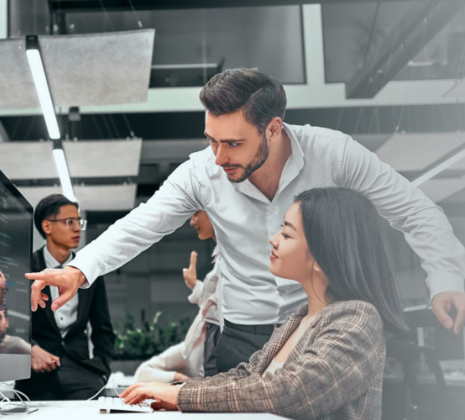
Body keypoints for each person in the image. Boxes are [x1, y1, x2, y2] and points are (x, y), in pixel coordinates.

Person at [27, 68, 465, 372]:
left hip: (321, 328)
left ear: (273, 129)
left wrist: (445, 276)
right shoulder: (202, 171)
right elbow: (141, 224)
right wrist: (78, 269)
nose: (218, 157)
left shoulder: (334, 154)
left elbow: (414, 209)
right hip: (241, 335)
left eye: (233, 144)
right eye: (211, 140)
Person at [120, 188, 408, 419]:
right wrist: (176, 392)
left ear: (322, 256)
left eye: (286, 234)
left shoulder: (357, 318)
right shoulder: (299, 318)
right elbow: (246, 376)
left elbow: (294, 392)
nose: (273, 240)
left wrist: (182, 396)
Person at [16, 194, 115, 400]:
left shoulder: (88, 271)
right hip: (36, 374)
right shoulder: (26, 268)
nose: (77, 228)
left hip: (82, 372)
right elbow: (13, 321)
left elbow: (102, 328)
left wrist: (102, 368)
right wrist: (30, 349)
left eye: (79, 222)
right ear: (47, 226)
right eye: (69, 222)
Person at [134, 210, 222, 382]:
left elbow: (216, 306)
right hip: (199, 345)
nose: (191, 221)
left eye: (196, 213)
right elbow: (214, 305)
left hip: (211, 347)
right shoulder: (190, 349)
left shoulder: (231, 258)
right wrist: (182, 380)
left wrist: (196, 287)